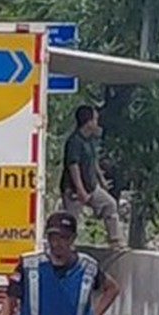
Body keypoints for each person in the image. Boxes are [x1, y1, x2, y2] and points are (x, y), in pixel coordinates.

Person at [60, 105, 124, 248]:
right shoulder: (74, 141)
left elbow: (93, 162)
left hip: (91, 186)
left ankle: (115, 240)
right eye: (95, 120)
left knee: (110, 204)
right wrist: (80, 189)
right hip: (74, 190)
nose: (97, 123)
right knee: (71, 220)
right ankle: (66, 246)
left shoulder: (89, 140)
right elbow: (73, 166)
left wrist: (101, 181)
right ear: (88, 122)